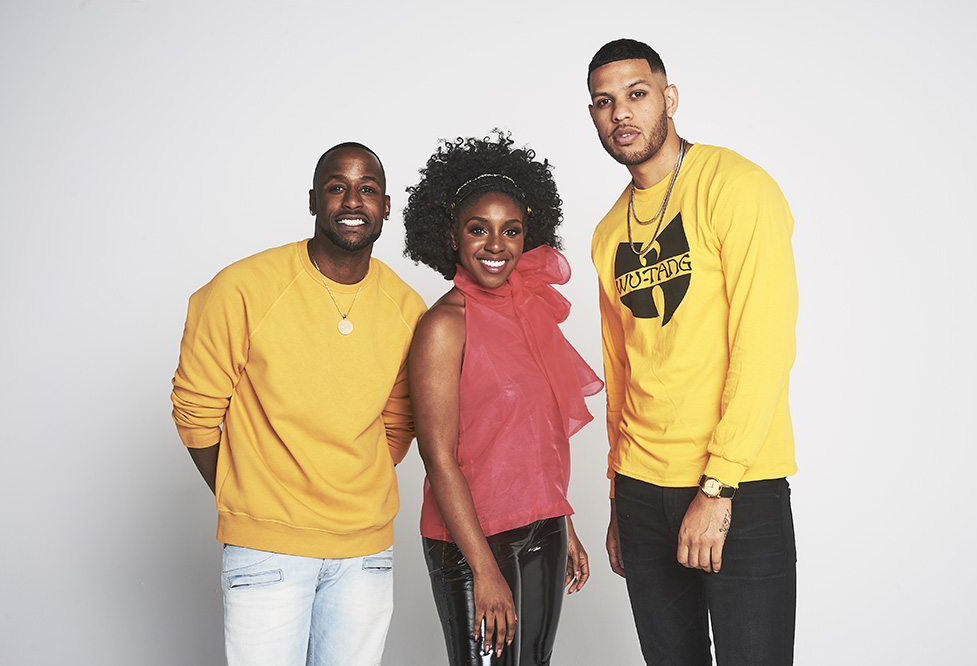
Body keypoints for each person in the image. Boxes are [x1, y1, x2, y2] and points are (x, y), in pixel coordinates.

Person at [170, 142, 426, 666]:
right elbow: (195, 413)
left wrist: (346, 485)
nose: (353, 200)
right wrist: (249, 491)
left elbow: (400, 425)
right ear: (313, 200)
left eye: (367, 189)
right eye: (338, 187)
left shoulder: (407, 307)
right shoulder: (242, 288)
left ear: (386, 207)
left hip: (364, 552)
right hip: (267, 548)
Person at [586, 39, 799, 666]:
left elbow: (765, 343)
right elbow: (621, 371)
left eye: (636, 94)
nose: (621, 113)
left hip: (736, 487)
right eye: (604, 103)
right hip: (641, 488)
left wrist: (718, 485)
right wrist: (618, 497)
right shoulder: (606, 233)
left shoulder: (735, 187)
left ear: (668, 98)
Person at [402, 132, 603, 666]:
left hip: (544, 527)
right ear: (451, 235)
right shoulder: (444, 326)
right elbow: (438, 456)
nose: (496, 245)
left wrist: (565, 522)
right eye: (478, 229)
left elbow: (537, 436)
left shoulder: (527, 309)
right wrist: (485, 572)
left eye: (510, 230)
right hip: (473, 541)